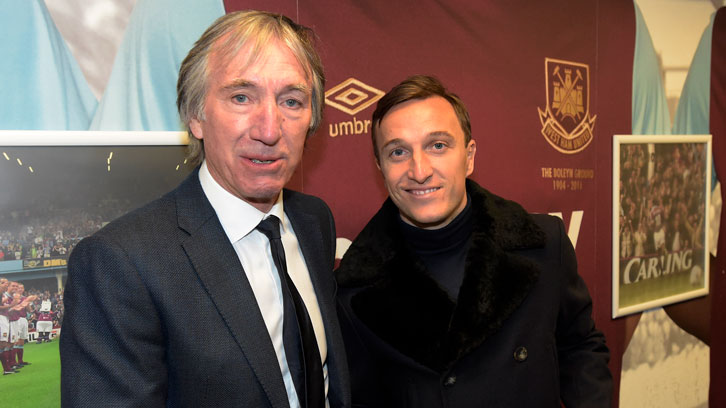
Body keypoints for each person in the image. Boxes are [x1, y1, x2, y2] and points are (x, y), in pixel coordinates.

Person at [60, 11, 350, 407]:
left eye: (292, 101)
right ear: (195, 115)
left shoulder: (313, 221)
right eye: (241, 97)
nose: (269, 130)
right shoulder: (120, 263)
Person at [335, 75, 612, 407]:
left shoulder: (544, 246)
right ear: (381, 167)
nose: (419, 170)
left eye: (438, 145)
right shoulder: (353, 291)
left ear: (469, 157)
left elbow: (580, 347)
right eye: (398, 152)